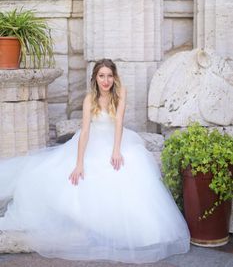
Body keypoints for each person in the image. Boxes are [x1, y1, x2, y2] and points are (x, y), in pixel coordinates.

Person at [0, 59, 190, 264]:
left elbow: (118, 123)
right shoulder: (90, 100)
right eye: (101, 76)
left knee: (129, 167)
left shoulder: (120, 94)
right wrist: (79, 163)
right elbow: (85, 133)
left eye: (109, 76)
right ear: (95, 78)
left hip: (116, 140)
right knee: (58, 176)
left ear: (114, 77)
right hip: (91, 142)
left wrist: (116, 151)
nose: (106, 80)